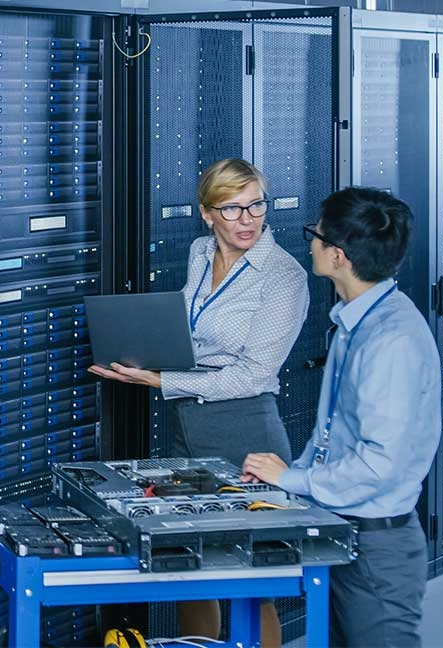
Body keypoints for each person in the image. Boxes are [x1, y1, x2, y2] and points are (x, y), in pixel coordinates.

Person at [89, 157, 309, 647]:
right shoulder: (199, 252)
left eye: (256, 205)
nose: (247, 219)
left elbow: (255, 374)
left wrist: (159, 380)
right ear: (207, 214)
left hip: (247, 431)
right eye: (232, 209)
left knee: (255, 584)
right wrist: (142, 356)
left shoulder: (283, 276)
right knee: (194, 566)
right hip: (188, 423)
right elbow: (191, 332)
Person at [241, 186, 441, 648]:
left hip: (376, 546)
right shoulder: (357, 322)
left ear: (337, 255)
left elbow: (379, 465)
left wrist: (295, 479)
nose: (308, 242)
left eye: (315, 234)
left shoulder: (391, 341)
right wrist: (286, 482)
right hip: (344, 530)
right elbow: (333, 434)